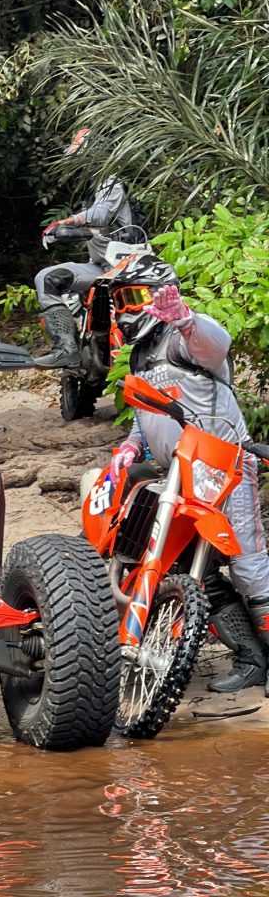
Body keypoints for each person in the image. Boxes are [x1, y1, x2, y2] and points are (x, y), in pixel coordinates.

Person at [111, 280, 269, 694]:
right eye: (118, 301)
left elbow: (217, 346)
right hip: (178, 476)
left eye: (134, 297)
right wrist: (131, 446)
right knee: (192, 569)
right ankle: (251, 658)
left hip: (225, 467)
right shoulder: (140, 355)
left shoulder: (183, 339)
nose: (126, 310)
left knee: (248, 566)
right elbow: (146, 413)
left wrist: (185, 320)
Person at [33, 127, 134, 368]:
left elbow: (101, 214)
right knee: (47, 278)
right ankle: (66, 349)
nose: (77, 164)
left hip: (127, 267)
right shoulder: (92, 187)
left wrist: (67, 222)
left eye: (80, 156)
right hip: (100, 268)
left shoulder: (111, 182)